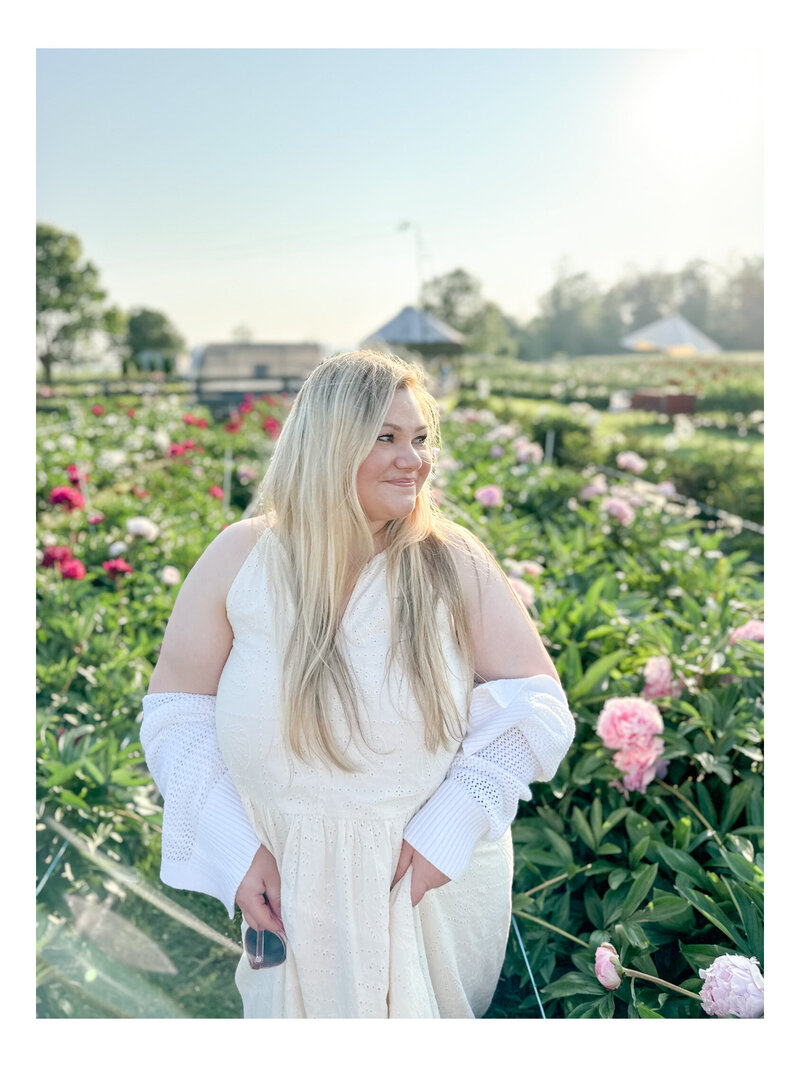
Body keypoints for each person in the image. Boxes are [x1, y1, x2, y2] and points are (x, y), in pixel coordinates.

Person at [140, 348, 574, 1018]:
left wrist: (450, 828)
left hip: (417, 884)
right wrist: (233, 846)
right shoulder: (240, 557)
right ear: (329, 442)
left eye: (422, 438)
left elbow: (539, 703)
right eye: (387, 437)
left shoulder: (451, 563)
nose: (416, 460)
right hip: (284, 873)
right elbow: (176, 712)